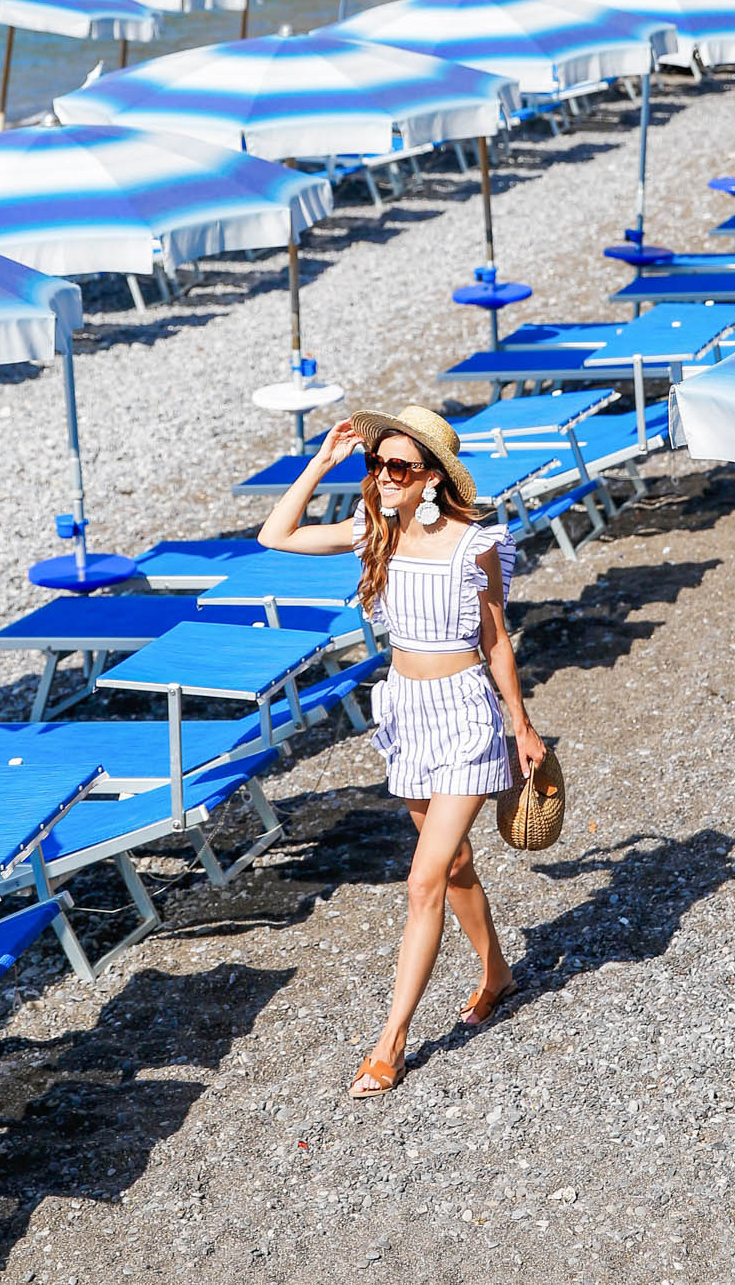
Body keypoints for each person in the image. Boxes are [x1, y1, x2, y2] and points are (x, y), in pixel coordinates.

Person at [258, 404, 547, 1099]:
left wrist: (523, 724)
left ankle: (389, 1044)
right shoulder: (370, 531)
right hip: (406, 715)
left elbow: (496, 640)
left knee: (422, 882)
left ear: (430, 480)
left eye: (397, 467)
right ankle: (498, 974)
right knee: (454, 869)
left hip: (467, 716)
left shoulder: (477, 543)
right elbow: (277, 534)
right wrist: (322, 462)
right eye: (376, 464)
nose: (382, 476)